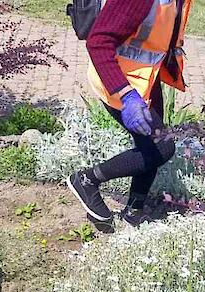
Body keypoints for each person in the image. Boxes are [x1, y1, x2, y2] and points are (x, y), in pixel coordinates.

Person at [67, 0, 193, 227]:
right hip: (116, 79)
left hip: (144, 78)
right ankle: (87, 180)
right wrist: (126, 96)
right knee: (162, 146)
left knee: (149, 143)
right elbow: (98, 42)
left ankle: (134, 211)